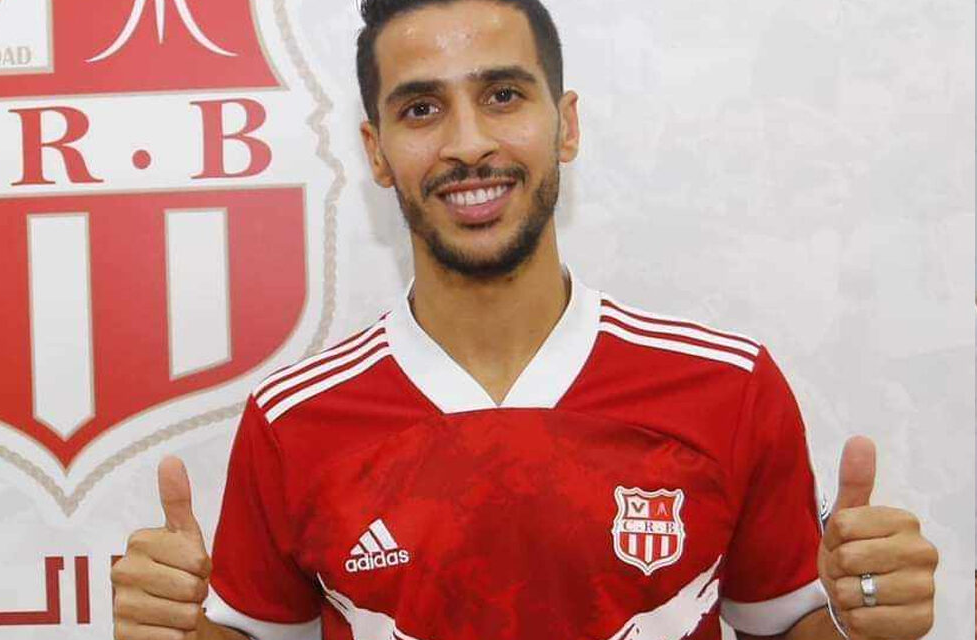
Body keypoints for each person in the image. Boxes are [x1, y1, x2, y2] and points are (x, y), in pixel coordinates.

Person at [110, 1, 939, 638]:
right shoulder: (294, 421)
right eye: (421, 109)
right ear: (375, 152)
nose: (469, 144)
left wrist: (865, 624)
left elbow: (785, 628)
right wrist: (180, 633)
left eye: (502, 95)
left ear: (565, 125)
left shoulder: (727, 388)